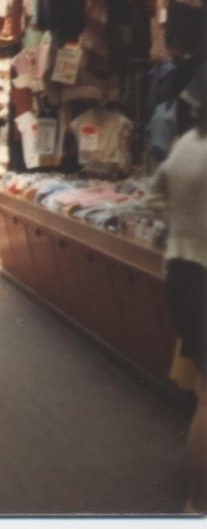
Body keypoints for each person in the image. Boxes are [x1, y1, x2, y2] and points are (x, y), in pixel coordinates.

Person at [150, 109, 207, 513]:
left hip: (182, 273)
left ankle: (196, 501)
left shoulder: (188, 143)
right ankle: (198, 503)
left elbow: (156, 193)